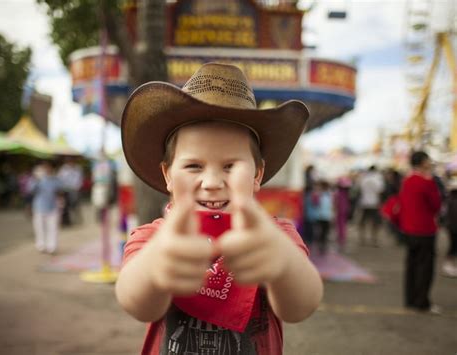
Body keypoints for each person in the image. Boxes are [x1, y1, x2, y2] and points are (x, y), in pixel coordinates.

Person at [115, 63, 323, 354]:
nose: (212, 182)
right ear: (167, 175)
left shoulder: (273, 237)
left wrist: (284, 262)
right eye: (193, 166)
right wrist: (156, 264)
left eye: (230, 166)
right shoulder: (152, 238)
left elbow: (301, 306)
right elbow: (135, 302)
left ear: (257, 175)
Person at [399, 151, 441, 313]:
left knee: (411, 265)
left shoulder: (407, 181)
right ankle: (422, 302)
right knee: (425, 267)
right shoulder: (426, 181)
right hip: (425, 229)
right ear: (423, 162)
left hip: (409, 229)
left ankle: (410, 299)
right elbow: (436, 205)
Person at [29, 161, 62, 254]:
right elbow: (30, 190)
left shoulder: (55, 179)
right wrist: (36, 179)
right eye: (44, 167)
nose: (46, 169)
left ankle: (52, 246)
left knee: (52, 228)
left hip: (52, 207)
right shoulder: (36, 179)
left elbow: (61, 189)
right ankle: (41, 245)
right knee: (39, 228)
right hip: (39, 207)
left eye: (48, 167)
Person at [358, 165, 384, 246]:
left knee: (363, 222)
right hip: (374, 203)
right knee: (375, 222)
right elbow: (380, 191)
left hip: (364, 202)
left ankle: (362, 239)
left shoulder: (364, 178)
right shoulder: (378, 178)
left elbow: (360, 190)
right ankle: (374, 240)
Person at [442, 177, 457, 277]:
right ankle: (448, 265)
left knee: (453, 246)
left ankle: (449, 265)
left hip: (451, 226)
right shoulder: (453, 200)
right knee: (453, 246)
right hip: (453, 227)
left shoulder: (449, 199)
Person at [334, 177, 351, 252]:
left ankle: (341, 239)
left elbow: (335, 203)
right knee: (342, 226)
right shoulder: (345, 193)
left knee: (341, 226)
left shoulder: (338, 193)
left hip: (340, 211)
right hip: (343, 211)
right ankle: (342, 239)